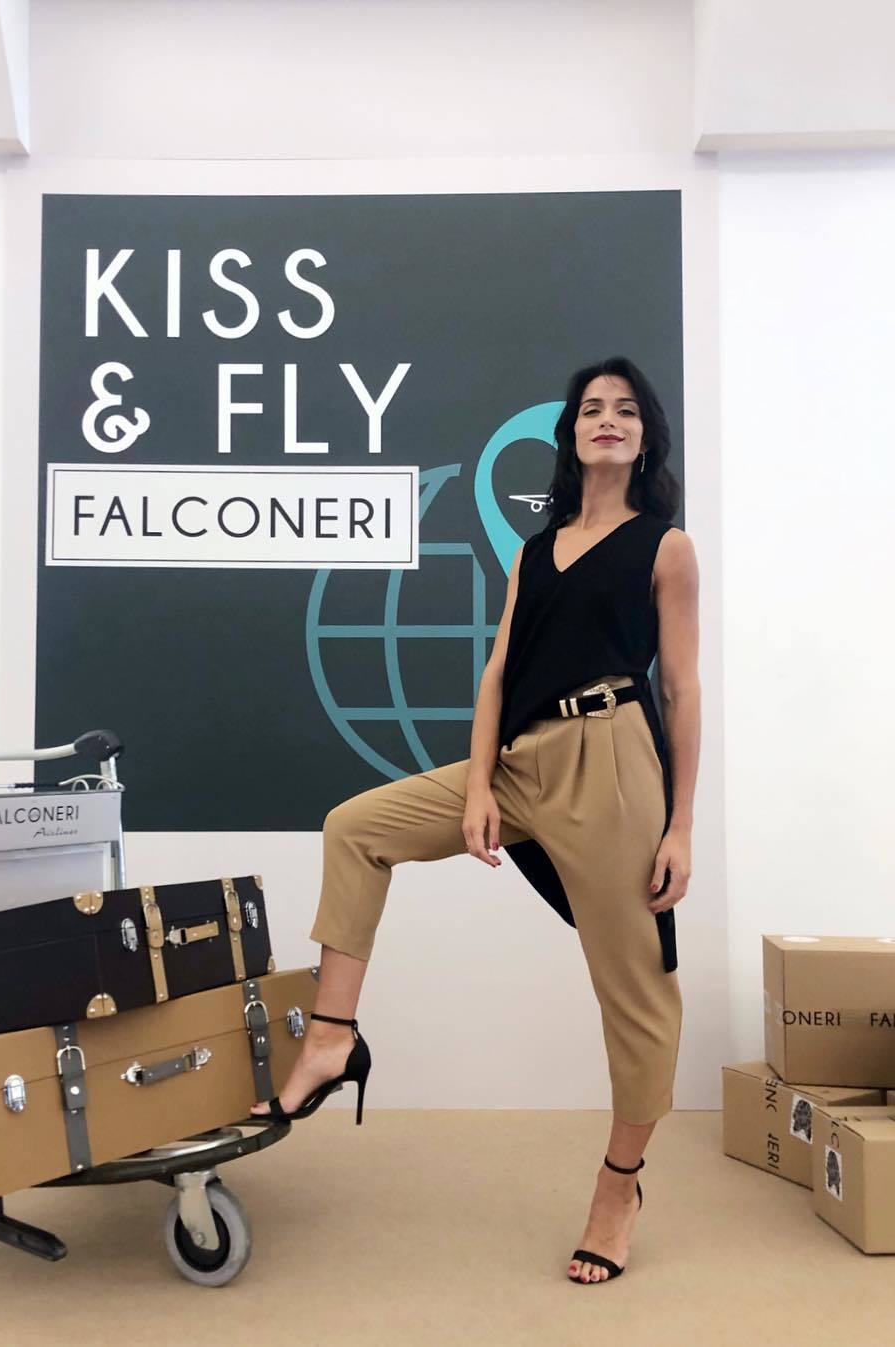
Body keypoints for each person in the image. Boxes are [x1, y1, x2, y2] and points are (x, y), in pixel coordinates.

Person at [251, 355, 700, 1285]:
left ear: (645, 436)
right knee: (355, 826)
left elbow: (683, 690)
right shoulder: (535, 551)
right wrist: (482, 783)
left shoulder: (666, 547)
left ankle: (619, 1185)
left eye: (625, 410)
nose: (607, 419)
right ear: (569, 435)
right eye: (591, 408)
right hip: (525, 758)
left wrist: (681, 825)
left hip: (616, 766)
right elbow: (497, 670)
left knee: (637, 992)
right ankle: (332, 1036)